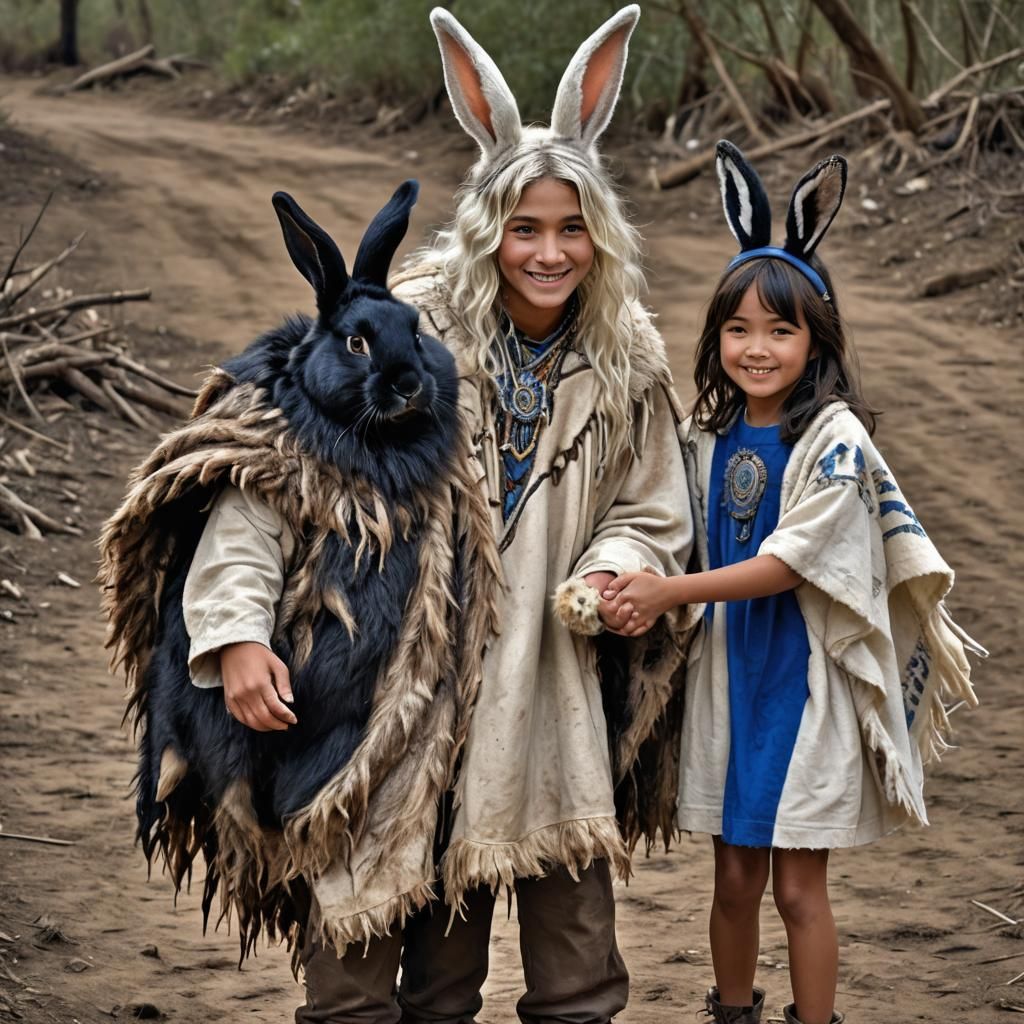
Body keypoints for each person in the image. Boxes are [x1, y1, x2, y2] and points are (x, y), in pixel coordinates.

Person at [104, 6, 694, 1024]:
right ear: (485, 227)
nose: (546, 253)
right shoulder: (397, 333)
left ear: (599, 232)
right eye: (523, 229)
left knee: (578, 970)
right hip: (393, 696)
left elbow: (651, 505)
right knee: (397, 962)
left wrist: (616, 564)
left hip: (542, 695)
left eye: (569, 229)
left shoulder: (625, 359)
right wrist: (236, 634)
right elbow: (262, 480)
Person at [603, 141, 983, 1024]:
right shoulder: (705, 432)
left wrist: (669, 596)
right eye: (738, 329)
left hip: (800, 686)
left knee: (798, 887)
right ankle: (731, 1011)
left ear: (817, 339)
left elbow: (786, 566)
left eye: (781, 329)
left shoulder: (836, 441)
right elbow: (663, 519)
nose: (757, 348)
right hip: (727, 687)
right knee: (733, 878)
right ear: (716, 337)